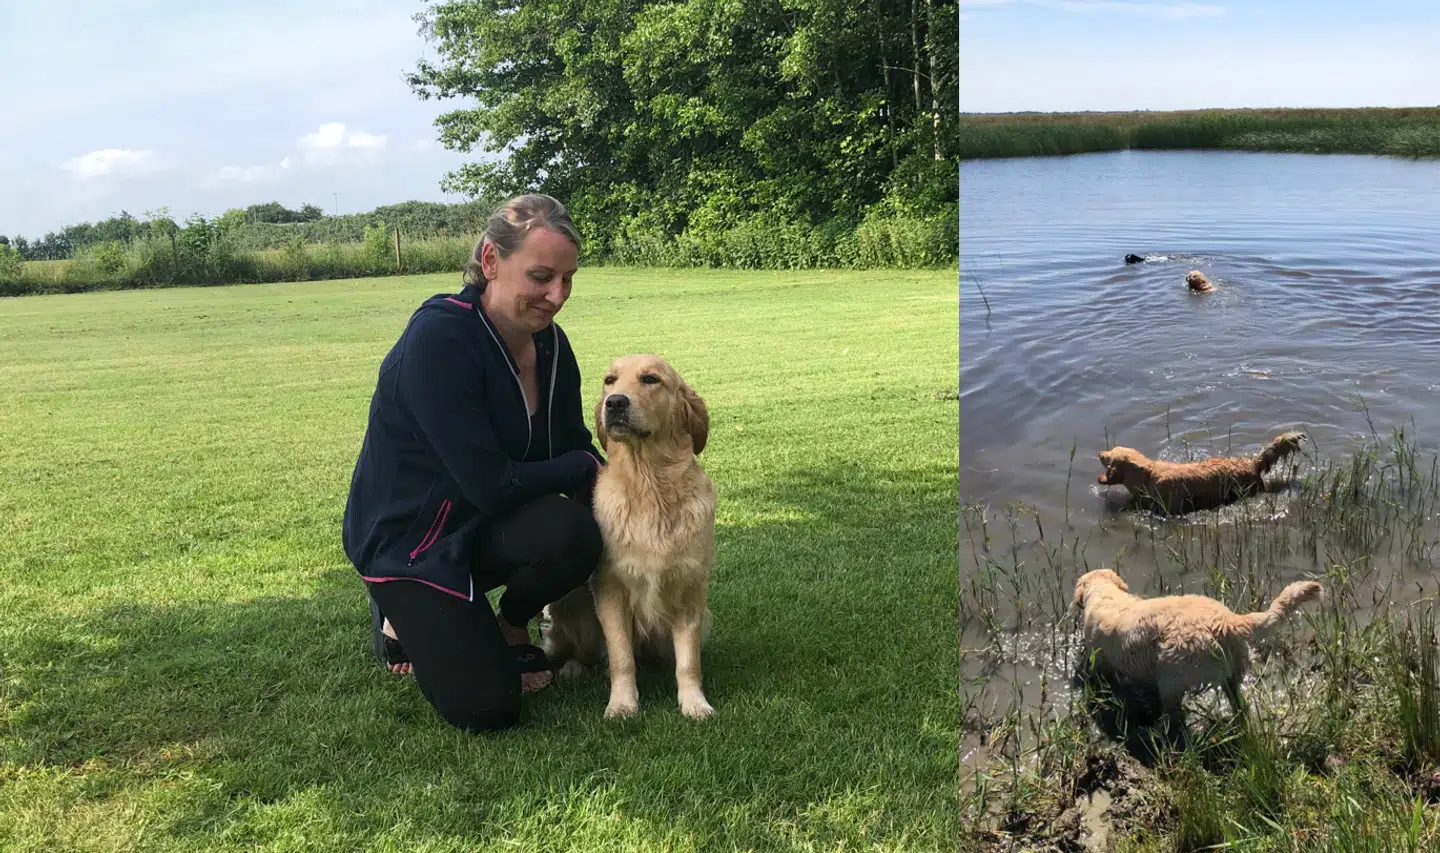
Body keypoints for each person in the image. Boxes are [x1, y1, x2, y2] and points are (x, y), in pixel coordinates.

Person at [342, 194, 605, 732]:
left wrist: (623, 480)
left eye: (568, 278)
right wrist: (583, 466)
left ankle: (509, 625)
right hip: (410, 541)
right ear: (490, 262)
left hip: (484, 523)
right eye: (540, 276)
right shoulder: (440, 337)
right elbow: (495, 483)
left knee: (574, 531)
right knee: (488, 707)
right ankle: (393, 609)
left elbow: (569, 441)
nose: (557, 296)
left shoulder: (551, 345)